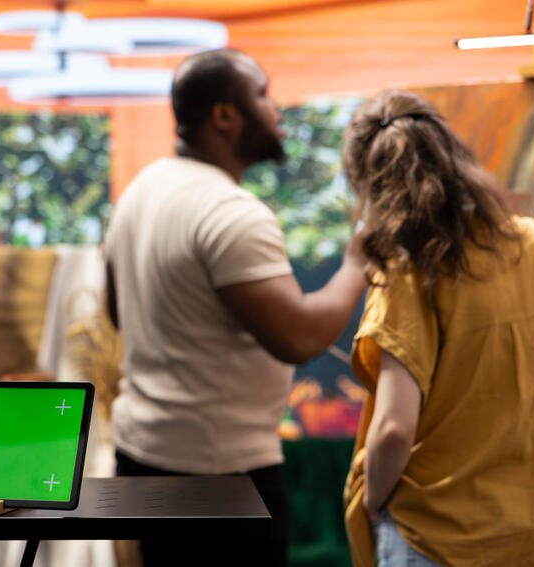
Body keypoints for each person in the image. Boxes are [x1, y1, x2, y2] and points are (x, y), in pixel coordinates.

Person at [103, 47, 368, 567]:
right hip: (217, 478)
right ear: (225, 115)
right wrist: (358, 261)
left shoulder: (141, 189)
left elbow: (118, 313)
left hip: (142, 456)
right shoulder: (230, 211)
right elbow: (298, 335)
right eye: (263, 95)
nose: (276, 108)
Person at [341, 89, 534, 567]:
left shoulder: (409, 275)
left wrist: (374, 500)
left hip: (438, 537)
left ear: (371, 186)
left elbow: (395, 428)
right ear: (456, 158)